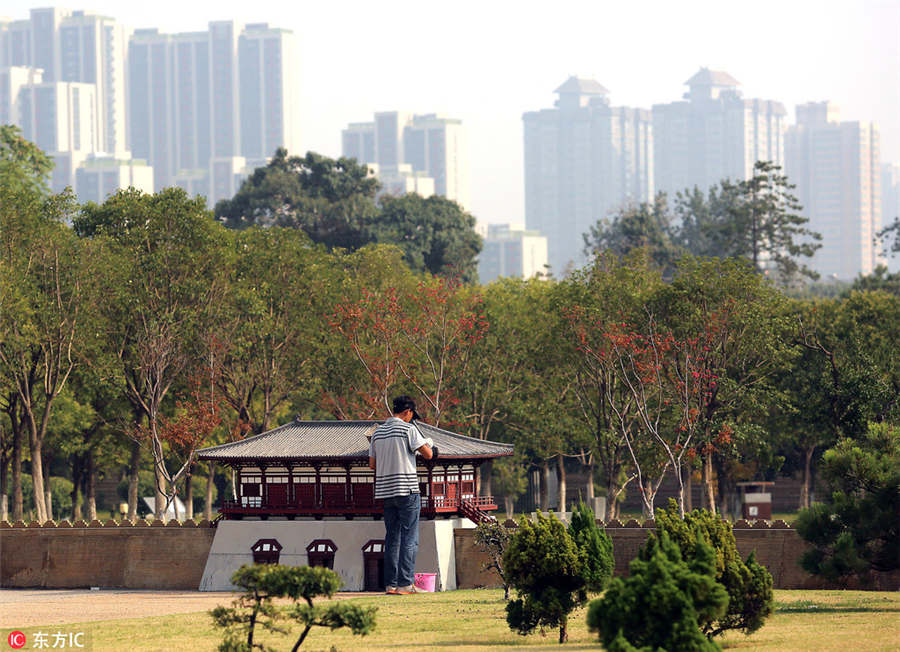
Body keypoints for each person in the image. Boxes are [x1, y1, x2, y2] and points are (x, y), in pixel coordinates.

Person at [368, 395, 435, 594]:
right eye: (411, 415)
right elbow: (428, 454)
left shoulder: (377, 434)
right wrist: (425, 445)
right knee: (410, 538)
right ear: (407, 412)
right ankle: (405, 583)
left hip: (386, 492)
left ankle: (391, 585)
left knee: (392, 538)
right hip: (407, 490)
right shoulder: (408, 429)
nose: (411, 419)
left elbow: (373, 464)